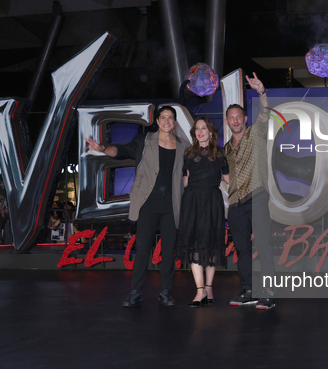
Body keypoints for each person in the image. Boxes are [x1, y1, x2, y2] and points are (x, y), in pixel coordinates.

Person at [85, 105, 190, 307]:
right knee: (142, 249)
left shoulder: (183, 145)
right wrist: (102, 148)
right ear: (158, 121)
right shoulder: (145, 140)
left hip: (172, 205)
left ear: (174, 122)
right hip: (147, 203)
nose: (167, 121)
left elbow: (186, 171)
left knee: (168, 251)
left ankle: (166, 292)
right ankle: (135, 292)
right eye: (163, 117)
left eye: (170, 118)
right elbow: (122, 151)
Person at [225, 72, 276, 310]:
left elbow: (265, 115)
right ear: (227, 122)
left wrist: (261, 93)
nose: (235, 120)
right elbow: (227, 175)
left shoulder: (255, 133)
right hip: (235, 203)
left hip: (256, 195)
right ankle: (248, 290)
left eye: (238, 117)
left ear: (245, 118)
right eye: (231, 118)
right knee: (242, 249)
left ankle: (268, 292)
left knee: (263, 244)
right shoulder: (226, 148)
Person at [176, 117, 229, 307]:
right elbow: (185, 181)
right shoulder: (188, 153)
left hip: (212, 201)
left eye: (203, 128)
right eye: (197, 128)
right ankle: (199, 290)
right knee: (195, 244)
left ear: (211, 131)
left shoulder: (221, 153)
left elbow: (229, 179)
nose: (200, 131)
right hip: (193, 201)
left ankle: (209, 288)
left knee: (211, 243)